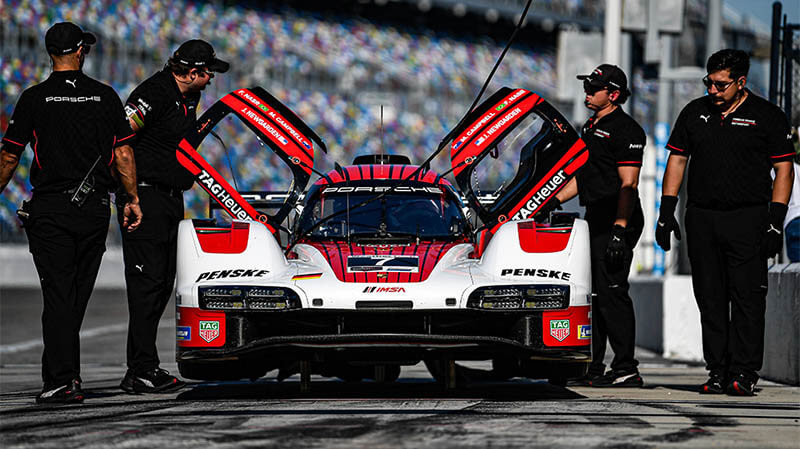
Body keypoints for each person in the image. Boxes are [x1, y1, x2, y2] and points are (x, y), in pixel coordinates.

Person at [0, 22, 141, 404]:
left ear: (52, 53)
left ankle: (63, 378)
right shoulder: (105, 96)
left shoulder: (34, 98)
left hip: (51, 208)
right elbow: (124, 154)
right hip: (94, 207)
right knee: (74, 295)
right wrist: (131, 198)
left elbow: (10, 155)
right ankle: (63, 375)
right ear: (80, 52)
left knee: (59, 295)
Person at [656, 49, 795, 396]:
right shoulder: (694, 112)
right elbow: (677, 161)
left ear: (740, 82)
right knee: (710, 298)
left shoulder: (766, 116)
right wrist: (665, 210)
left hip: (748, 217)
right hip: (702, 217)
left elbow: (784, 170)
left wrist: (775, 220)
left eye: (720, 85)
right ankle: (717, 369)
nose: (713, 91)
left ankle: (744, 371)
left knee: (747, 298)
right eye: (709, 83)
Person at [118, 39, 229, 393]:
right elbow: (119, 137)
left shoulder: (189, 97)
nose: (211, 78)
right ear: (193, 71)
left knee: (163, 283)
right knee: (146, 284)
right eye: (208, 71)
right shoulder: (155, 91)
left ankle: (145, 365)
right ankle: (140, 368)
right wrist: (129, 195)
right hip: (144, 196)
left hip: (169, 197)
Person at [537, 64, 646, 387]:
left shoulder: (627, 130)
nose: (587, 92)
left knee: (613, 293)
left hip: (618, 217)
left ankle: (626, 368)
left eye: (594, 88)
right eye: (587, 86)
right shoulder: (589, 127)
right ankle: (593, 366)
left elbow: (629, 185)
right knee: (594, 295)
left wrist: (618, 230)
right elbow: (583, 180)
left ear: (613, 95)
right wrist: (548, 202)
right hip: (596, 216)